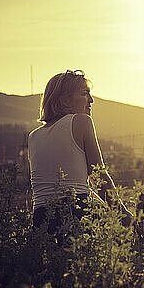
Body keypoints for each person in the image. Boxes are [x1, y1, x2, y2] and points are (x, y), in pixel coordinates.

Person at [28, 69, 131, 238]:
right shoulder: (81, 121)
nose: (91, 100)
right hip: (75, 213)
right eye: (85, 94)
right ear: (65, 99)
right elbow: (98, 175)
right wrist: (122, 214)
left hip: (41, 223)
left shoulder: (33, 136)